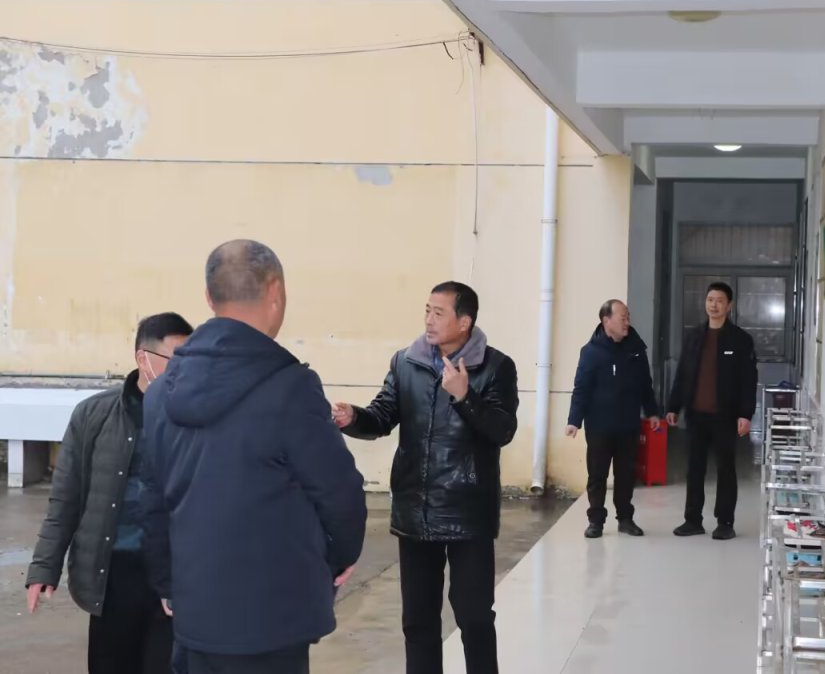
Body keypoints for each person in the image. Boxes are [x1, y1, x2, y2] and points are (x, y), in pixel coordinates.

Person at [141, 239, 367, 674]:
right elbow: (340, 495)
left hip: (195, 615)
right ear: (275, 291)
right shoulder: (291, 389)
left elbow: (153, 501)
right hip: (272, 622)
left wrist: (169, 582)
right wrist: (334, 562)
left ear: (209, 297)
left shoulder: (161, 393)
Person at [332, 281, 518, 674]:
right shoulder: (406, 362)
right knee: (418, 622)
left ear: (464, 322)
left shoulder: (496, 367)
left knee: (474, 617)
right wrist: (354, 418)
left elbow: (502, 430)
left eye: (439, 312)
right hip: (415, 510)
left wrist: (465, 396)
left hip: (468, 513)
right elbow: (382, 416)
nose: (429, 320)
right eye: (427, 310)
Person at [25, 312, 194, 674]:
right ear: (143, 358)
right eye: (175, 359)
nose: (185, 369)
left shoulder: (194, 418)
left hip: (173, 574)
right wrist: (44, 566)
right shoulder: (94, 415)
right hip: (112, 574)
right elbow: (66, 497)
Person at [665, 282, 758, 541]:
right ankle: (692, 519)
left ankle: (725, 522)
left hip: (725, 417)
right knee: (694, 469)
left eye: (719, 300)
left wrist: (745, 414)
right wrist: (674, 406)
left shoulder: (740, 340)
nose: (713, 305)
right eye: (709, 300)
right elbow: (683, 374)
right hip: (696, 415)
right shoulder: (694, 337)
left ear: (729, 306)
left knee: (725, 470)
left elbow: (748, 380)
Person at [566, 300, 660, 539]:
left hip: (628, 425)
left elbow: (645, 385)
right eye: (622, 318)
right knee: (597, 476)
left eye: (628, 317)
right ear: (606, 321)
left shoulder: (636, 349)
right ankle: (595, 521)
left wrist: (652, 412)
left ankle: (625, 519)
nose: (627, 322)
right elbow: (581, 388)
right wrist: (574, 420)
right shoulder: (591, 352)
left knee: (626, 475)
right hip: (599, 426)